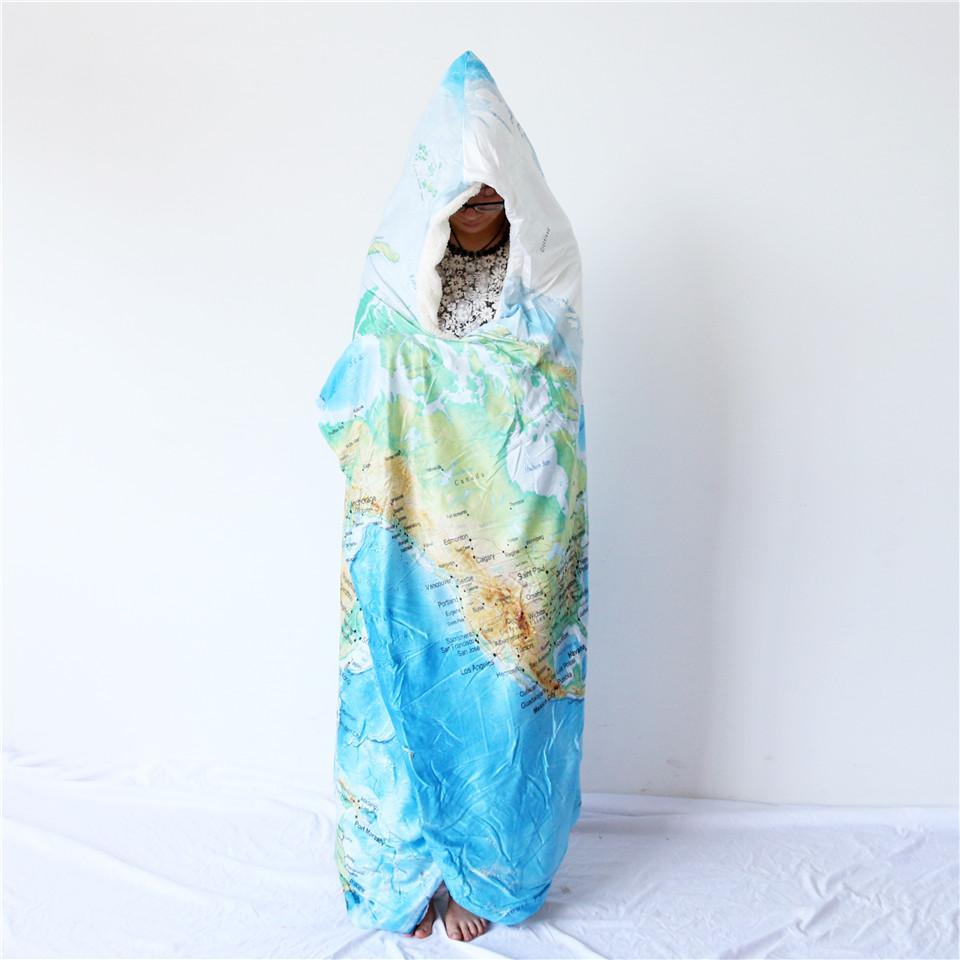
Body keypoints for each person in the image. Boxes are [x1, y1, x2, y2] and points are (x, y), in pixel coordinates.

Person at [435, 184, 510, 339]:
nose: (470, 215)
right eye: (460, 193)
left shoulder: (539, 247)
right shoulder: (409, 247)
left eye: (487, 191)